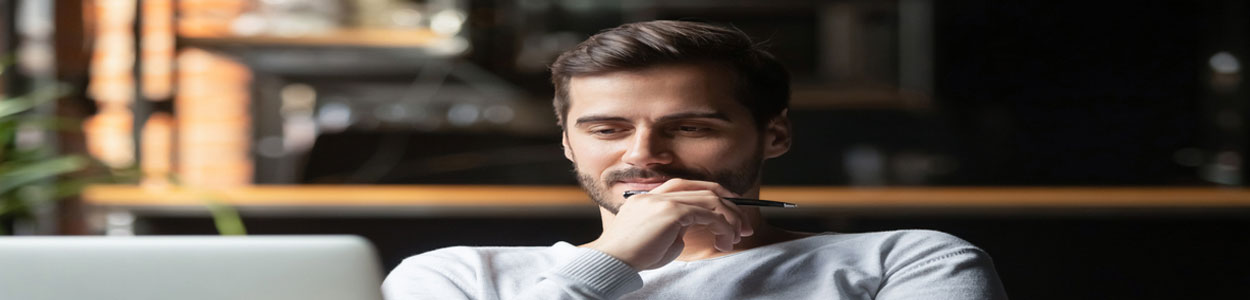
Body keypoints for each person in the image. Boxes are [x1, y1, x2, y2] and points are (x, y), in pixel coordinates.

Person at [383, 20, 1007, 300]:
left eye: (690, 128)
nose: (644, 154)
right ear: (569, 143)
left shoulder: (909, 261)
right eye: (607, 128)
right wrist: (610, 264)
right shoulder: (455, 278)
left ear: (775, 134)